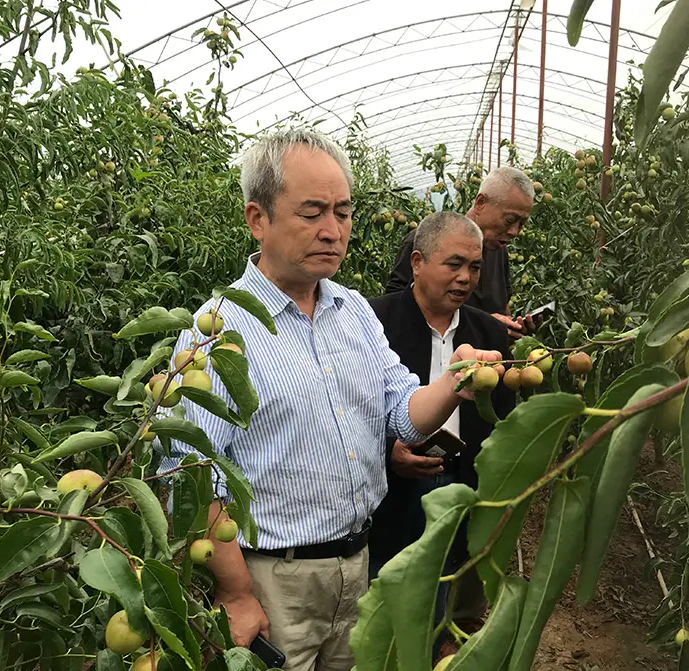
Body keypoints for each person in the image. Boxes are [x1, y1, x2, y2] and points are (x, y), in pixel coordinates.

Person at [158, 128, 502, 671]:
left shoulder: (354, 312)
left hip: (357, 565)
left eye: (342, 212)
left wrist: (455, 381)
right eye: (312, 212)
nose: (332, 230)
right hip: (274, 580)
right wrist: (236, 592)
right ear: (258, 219)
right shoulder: (218, 331)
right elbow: (189, 472)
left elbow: (401, 410)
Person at [367, 211, 516, 656]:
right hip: (393, 485)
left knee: (441, 581)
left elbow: (500, 419)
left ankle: (428, 648)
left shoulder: (488, 332)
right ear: (417, 262)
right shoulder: (373, 322)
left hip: (458, 479)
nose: (465, 277)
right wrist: (387, 451)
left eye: (474, 266)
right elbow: (350, 410)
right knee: (384, 582)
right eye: (453, 264)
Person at [384, 166, 538, 340]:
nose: (515, 231)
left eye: (522, 224)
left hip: (487, 363)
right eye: (510, 220)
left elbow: (501, 306)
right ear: (480, 203)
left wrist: (510, 326)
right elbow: (395, 310)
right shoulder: (427, 240)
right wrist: (485, 323)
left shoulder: (498, 250)